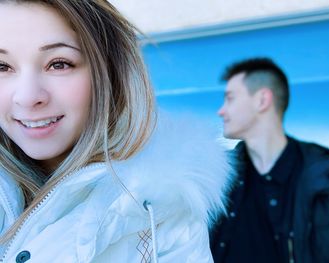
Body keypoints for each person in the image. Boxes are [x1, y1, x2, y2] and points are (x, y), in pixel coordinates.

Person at [0, 1, 231, 262]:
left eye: (59, 64)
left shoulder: (160, 212)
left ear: (110, 72)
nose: (28, 97)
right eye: (2, 67)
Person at [210, 57, 329, 263]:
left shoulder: (328, 173)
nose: (221, 111)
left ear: (262, 100)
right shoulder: (218, 174)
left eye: (230, 98)